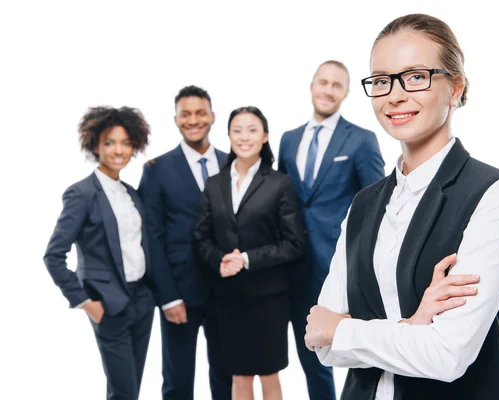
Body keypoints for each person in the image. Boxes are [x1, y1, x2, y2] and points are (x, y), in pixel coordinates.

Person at [305, 13, 499, 400]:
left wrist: (345, 330)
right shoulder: (363, 203)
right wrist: (413, 324)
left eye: (415, 77)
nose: (394, 95)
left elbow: (447, 355)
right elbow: (319, 340)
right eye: (381, 80)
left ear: (455, 87)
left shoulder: (492, 193)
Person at [277, 60, 385, 400]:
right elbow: (281, 199)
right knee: (311, 352)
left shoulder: (361, 140)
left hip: (340, 266)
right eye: (323, 82)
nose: (328, 90)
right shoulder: (288, 139)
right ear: (311, 85)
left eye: (337, 85)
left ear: (347, 93)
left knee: (358, 352)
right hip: (294, 265)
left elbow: (379, 206)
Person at [43, 106, 155, 400]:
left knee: (129, 389)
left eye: (125, 143)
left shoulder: (132, 193)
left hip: (142, 301)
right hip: (108, 305)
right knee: (125, 392)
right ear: (95, 145)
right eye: (109, 142)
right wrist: (84, 301)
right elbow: (53, 256)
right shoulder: (81, 194)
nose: (118, 150)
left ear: (134, 146)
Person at [194, 106, 305, 400]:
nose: (244, 137)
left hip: (268, 299)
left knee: (269, 375)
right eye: (237, 130)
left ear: (265, 136)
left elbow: (294, 244)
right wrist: (219, 261)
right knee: (239, 377)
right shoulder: (215, 184)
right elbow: (200, 238)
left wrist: (246, 259)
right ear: (229, 135)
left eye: (252, 130)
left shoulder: (279, 183)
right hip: (228, 299)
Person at [137, 86, 231, 399]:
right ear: (176, 119)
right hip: (180, 293)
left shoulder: (233, 163)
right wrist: (167, 297)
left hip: (228, 293)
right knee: (177, 383)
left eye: (200, 113)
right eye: (186, 114)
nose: (193, 120)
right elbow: (151, 237)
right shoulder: (157, 170)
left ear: (213, 117)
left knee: (227, 379)